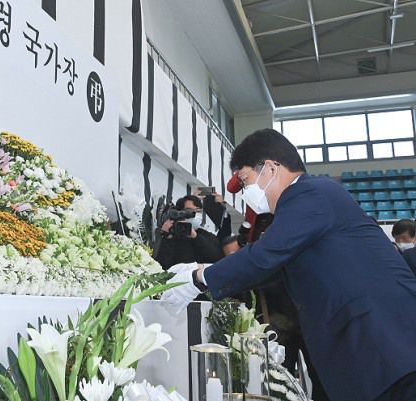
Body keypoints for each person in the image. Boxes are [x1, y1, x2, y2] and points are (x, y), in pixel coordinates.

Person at [161, 129, 416, 401]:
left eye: (246, 181)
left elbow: (264, 257)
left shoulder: (310, 193)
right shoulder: (303, 204)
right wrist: (202, 269)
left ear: (271, 168)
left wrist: (199, 277)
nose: (246, 193)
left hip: (385, 347)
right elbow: (271, 268)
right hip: (372, 352)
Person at [154, 195, 222, 270]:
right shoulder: (172, 236)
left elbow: (216, 257)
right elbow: (162, 265)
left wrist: (196, 237)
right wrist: (166, 236)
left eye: (198, 211)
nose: (195, 214)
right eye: (189, 211)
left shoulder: (205, 235)